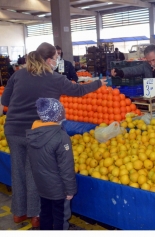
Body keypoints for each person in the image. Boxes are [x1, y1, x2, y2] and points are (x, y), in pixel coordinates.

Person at [1, 42, 106, 228]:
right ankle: (35, 215)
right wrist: (98, 83)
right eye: (56, 58)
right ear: (49, 60)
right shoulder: (55, 78)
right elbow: (78, 91)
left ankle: (18, 212)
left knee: (17, 171)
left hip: (12, 129)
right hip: (36, 132)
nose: (57, 61)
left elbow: (6, 101)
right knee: (34, 173)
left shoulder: (18, 75)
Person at [26, 98, 76, 230]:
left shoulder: (33, 134)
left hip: (42, 185)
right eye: (61, 110)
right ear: (56, 115)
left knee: (46, 213)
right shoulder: (61, 137)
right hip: (58, 188)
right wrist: (70, 189)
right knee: (60, 217)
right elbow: (66, 167)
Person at [111, 44, 155, 110]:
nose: (152, 63)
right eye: (149, 61)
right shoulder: (147, 65)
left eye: (153, 60)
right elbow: (134, 70)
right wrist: (121, 72)